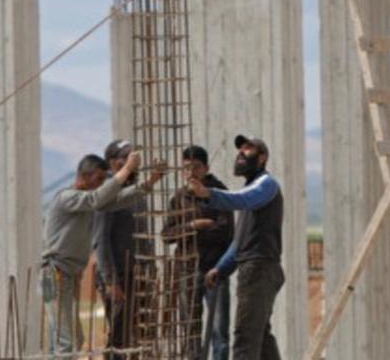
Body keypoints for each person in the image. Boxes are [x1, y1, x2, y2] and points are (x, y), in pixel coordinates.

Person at [41, 150, 164, 358]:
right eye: (99, 179)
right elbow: (98, 198)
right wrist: (126, 170)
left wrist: (148, 183)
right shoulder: (67, 198)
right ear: (85, 177)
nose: (101, 184)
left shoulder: (87, 202)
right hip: (54, 274)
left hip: (66, 275)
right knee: (66, 341)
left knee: (67, 340)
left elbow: (118, 200)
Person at [187, 135, 283, 360]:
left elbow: (242, 199)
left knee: (244, 340)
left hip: (259, 269)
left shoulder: (265, 185)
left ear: (262, 158)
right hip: (258, 269)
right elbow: (240, 242)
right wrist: (220, 268)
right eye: (239, 149)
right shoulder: (251, 190)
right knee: (261, 338)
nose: (240, 153)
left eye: (248, 149)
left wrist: (208, 194)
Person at [165, 145, 234, 360]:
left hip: (214, 270)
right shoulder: (179, 198)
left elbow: (226, 231)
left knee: (218, 331)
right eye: (186, 168)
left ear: (206, 168)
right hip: (187, 270)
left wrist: (197, 232)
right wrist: (193, 226)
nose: (191, 172)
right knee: (190, 330)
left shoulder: (219, 194)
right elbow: (167, 235)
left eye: (196, 167)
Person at [93, 139, 150, 356]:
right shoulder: (107, 193)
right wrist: (110, 281)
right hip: (117, 275)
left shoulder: (135, 193)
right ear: (114, 163)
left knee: (135, 335)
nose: (134, 162)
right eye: (127, 158)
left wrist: (149, 267)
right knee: (120, 335)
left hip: (135, 273)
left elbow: (143, 236)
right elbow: (100, 240)